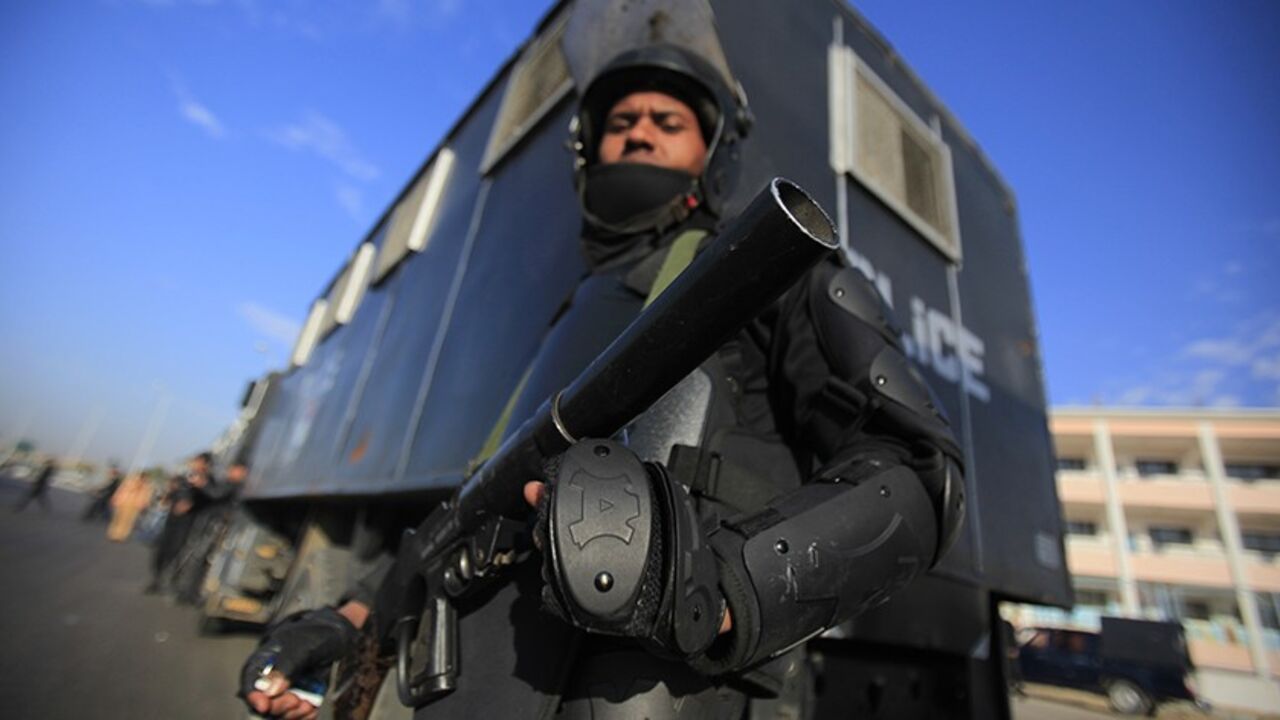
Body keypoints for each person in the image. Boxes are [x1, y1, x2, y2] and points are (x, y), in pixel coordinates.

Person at [240, 43, 965, 720]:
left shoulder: (766, 272)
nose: (640, 134)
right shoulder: (567, 315)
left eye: (667, 121)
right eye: (621, 122)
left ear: (712, 155)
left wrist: (716, 588)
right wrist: (346, 622)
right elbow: (471, 515)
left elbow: (919, 472)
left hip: (659, 690)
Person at [146, 452, 215, 594]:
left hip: (189, 524)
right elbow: (173, 494)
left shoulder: (208, 481)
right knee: (162, 551)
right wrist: (170, 496)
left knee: (178, 552)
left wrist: (201, 486)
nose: (195, 465)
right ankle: (157, 580)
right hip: (172, 521)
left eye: (199, 462)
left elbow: (213, 496)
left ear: (206, 464)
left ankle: (173, 582)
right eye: (195, 462)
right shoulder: (184, 478)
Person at [106, 471, 154, 542]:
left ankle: (122, 536)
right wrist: (115, 498)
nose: (144, 479)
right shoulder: (130, 481)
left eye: (146, 478)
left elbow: (148, 496)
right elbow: (121, 489)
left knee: (129, 521)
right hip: (124, 502)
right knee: (118, 518)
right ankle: (113, 534)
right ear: (140, 476)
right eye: (143, 477)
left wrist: (145, 504)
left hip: (136, 505)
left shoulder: (147, 485)